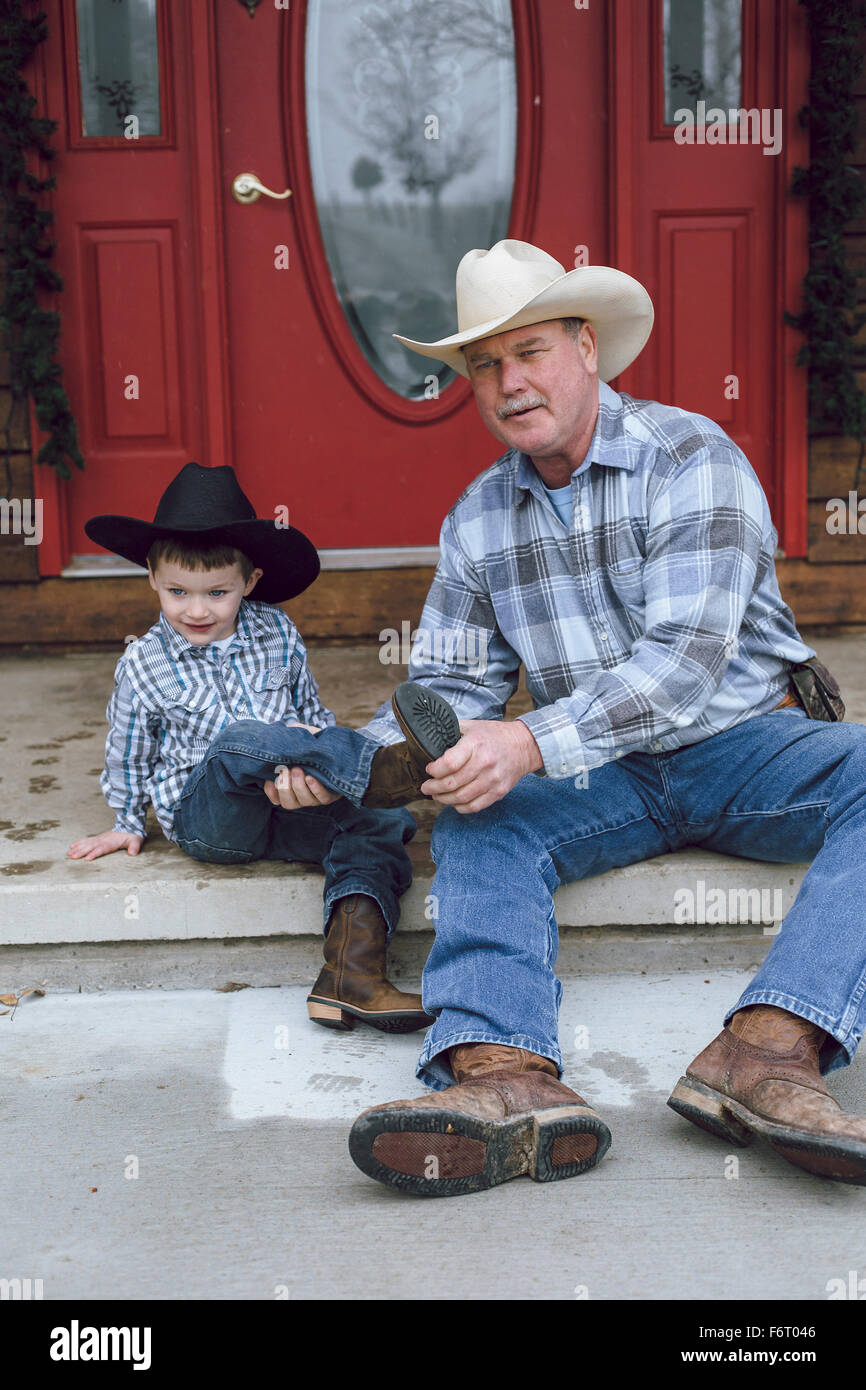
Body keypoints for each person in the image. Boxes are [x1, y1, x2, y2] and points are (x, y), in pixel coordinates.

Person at [275, 238, 866, 1197]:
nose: (509, 382)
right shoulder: (477, 517)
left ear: (587, 347)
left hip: (747, 742)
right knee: (483, 818)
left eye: (532, 351)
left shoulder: (690, 458)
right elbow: (452, 690)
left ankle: (768, 1054)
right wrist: (350, 765)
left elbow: (681, 669)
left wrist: (529, 738)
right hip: (609, 775)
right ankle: (505, 1077)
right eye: (484, 365)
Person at [67, 461, 461, 1034]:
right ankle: (378, 768)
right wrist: (126, 820)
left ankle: (350, 978)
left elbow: (310, 717)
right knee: (241, 738)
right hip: (212, 820)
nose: (196, 611)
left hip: (285, 805)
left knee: (379, 820)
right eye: (178, 591)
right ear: (151, 576)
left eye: (217, 593)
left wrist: (317, 769)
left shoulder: (277, 633)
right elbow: (128, 749)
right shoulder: (144, 663)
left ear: (248, 581)